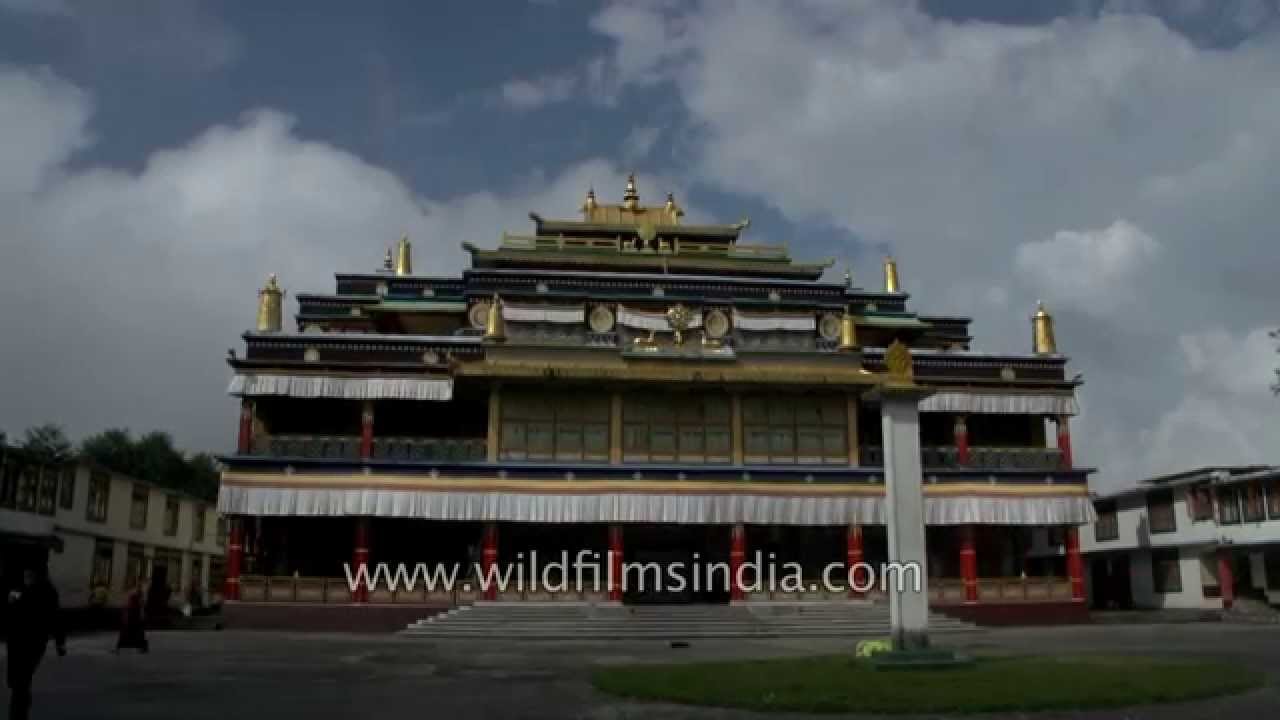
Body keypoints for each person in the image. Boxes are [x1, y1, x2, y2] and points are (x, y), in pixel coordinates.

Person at [5, 565, 66, 720]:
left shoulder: (44, 593)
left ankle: (19, 711)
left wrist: (60, 642)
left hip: (31, 643)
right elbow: (11, 608)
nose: (27, 578)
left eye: (29, 575)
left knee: (21, 680)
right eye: (26, 575)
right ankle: (21, 706)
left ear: (38, 576)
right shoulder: (24, 589)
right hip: (22, 642)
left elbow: (55, 618)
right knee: (19, 680)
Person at [116, 578, 149, 653]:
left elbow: (139, 604)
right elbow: (137, 604)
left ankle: (120, 647)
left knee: (133, 631)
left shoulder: (136, 593)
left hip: (134, 614)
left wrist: (141, 613)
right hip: (133, 614)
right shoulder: (135, 593)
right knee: (134, 631)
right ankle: (142, 647)